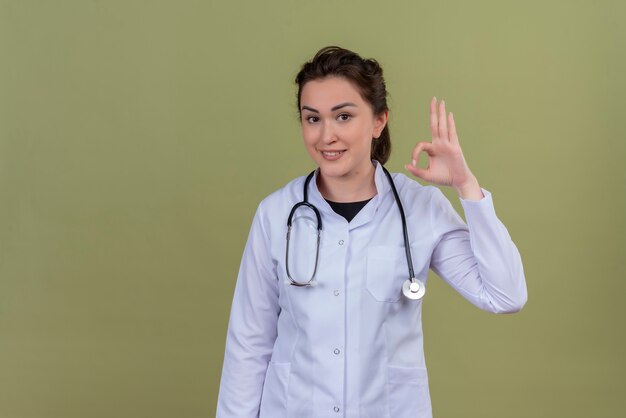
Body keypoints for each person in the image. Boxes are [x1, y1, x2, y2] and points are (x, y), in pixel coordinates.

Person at [216, 46, 527, 418]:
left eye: (343, 116)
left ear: (378, 121)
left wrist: (466, 185)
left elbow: (505, 296)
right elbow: (249, 344)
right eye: (312, 119)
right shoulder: (276, 214)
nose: (326, 135)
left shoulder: (419, 209)